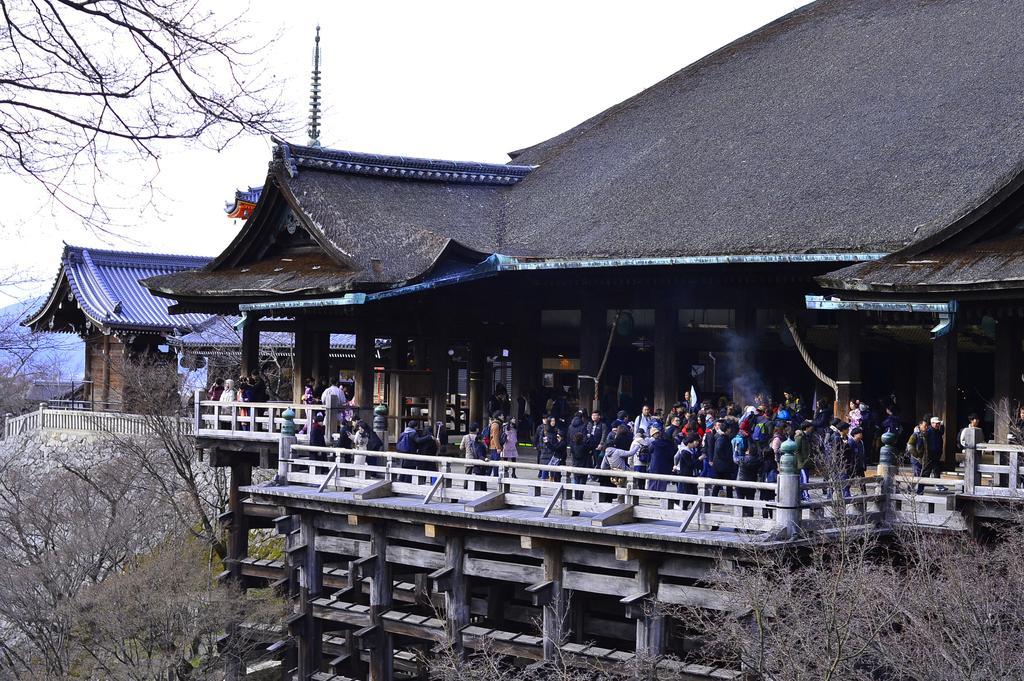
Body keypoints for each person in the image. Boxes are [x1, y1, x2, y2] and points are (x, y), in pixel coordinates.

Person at [646, 424, 676, 492]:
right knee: (663, 480)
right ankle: (661, 492)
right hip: (665, 465)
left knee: (653, 479)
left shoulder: (654, 443)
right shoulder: (669, 444)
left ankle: (652, 492)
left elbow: (650, 451)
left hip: (655, 464)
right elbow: (672, 454)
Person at [907, 419, 929, 495]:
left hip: (924, 459)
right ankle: (910, 489)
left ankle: (920, 491)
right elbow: (910, 446)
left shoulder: (925, 435)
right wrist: (916, 455)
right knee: (917, 475)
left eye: (927, 426)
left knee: (923, 475)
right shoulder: (915, 435)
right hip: (916, 459)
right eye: (924, 426)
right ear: (920, 426)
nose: (926, 427)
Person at [924, 416, 945, 490]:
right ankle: (921, 486)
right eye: (936, 423)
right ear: (932, 423)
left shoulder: (938, 431)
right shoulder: (928, 431)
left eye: (938, 424)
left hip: (937, 454)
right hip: (930, 454)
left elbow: (942, 431)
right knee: (927, 471)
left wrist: (942, 424)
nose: (937, 425)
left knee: (936, 470)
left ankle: (938, 485)